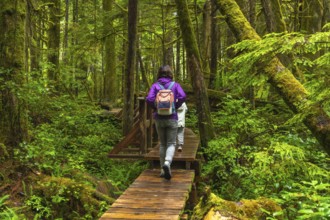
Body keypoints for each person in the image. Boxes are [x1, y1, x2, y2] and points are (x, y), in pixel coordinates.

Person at [146, 65, 186, 180]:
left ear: (159, 74)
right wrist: (175, 106)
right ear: (170, 74)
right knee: (171, 143)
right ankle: (167, 163)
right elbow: (183, 96)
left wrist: (156, 107)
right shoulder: (175, 85)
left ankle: (163, 171)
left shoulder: (155, 86)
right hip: (172, 117)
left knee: (162, 144)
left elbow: (149, 99)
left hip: (159, 118)